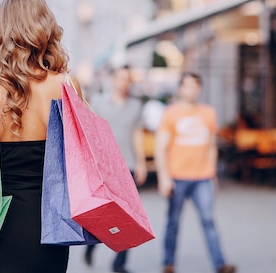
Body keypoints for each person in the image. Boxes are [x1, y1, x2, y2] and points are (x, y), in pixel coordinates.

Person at [0, 0, 82, 273]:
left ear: (0, 31)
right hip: (46, 228)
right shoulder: (65, 85)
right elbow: (79, 157)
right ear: (45, 28)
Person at [154, 72, 236, 273]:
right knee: (173, 223)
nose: (192, 90)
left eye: (195, 86)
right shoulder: (171, 113)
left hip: (203, 177)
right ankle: (168, 263)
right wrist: (164, 177)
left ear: (199, 89)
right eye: (188, 86)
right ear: (181, 89)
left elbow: (211, 147)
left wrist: (213, 175)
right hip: (177, 177)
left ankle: (220, 264)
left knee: (209, 221)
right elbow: (160, 147)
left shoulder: (208, 113)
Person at [83, 65, 147, 273]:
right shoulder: (99, 102)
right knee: (103, 214)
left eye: (127, 79)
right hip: (103, 167)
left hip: (127, 166)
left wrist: (142, 162)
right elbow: (90, 132)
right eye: (120, 78)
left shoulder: (136, 105)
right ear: (112, 79)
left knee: (129, 216)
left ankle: (120, 263)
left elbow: (137, 134)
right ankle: (92, 246)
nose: (124, 83)